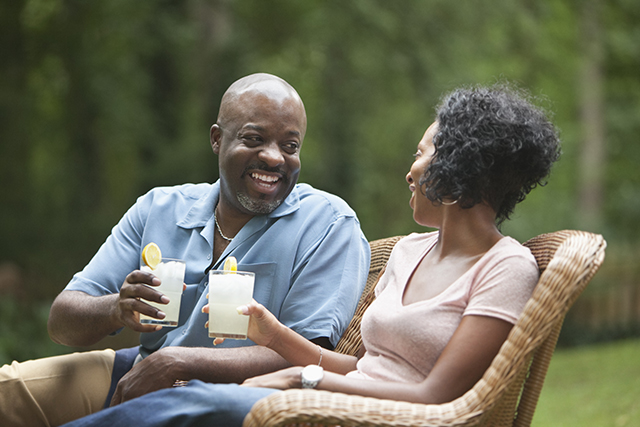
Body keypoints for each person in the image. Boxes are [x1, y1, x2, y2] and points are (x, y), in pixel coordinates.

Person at [59, 83, 561, 427]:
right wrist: (273, 334)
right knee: (183, 402)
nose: (410, 171)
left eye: (421, 153)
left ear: (460, 165)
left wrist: (302, 379)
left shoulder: (506, 268)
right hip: (331, 400)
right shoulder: (410, 252)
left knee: (187, 406)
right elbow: (360, 367)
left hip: (367, 417)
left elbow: (438, 398)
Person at [0, 73, 371, 426]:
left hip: (238, 398)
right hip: (142, 369)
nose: (274, 157)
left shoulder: (328, 224)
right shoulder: (160, 208)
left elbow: (308, 358)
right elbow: (62, 323)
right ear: (217, 139)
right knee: (7, 391)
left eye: (290, 146)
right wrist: (116, 308)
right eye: (254, 138)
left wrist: (179, 362)